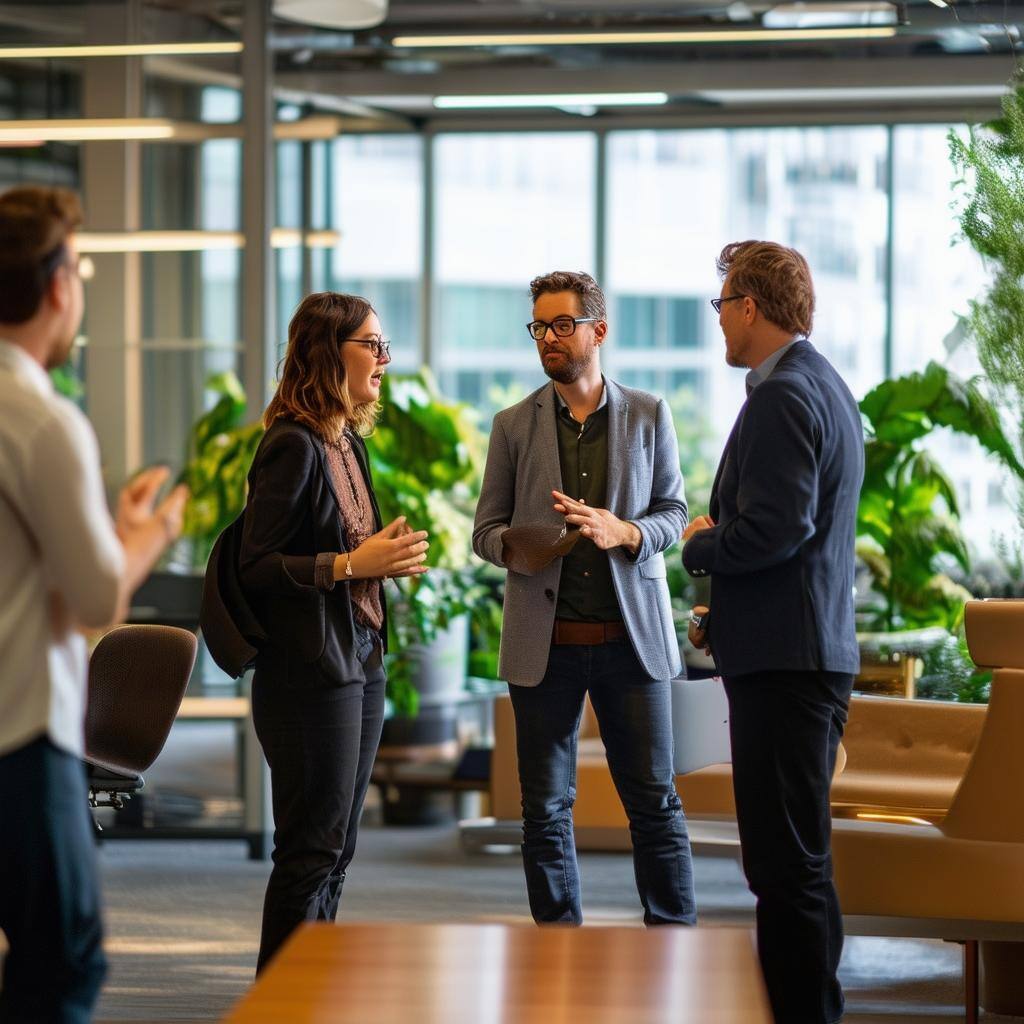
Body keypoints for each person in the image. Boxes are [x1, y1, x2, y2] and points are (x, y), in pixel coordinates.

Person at [0, 184, 188, 1023]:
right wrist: (145, 534)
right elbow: (94, 594)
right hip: (20, 735)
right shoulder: (40, 420)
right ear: (55, 287)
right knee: (66, 960)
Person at [473, 270, 696, 927]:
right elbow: (485, 533)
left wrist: (623, 531)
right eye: (540, 326)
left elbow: (675, 513)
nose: (549, 338)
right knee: (542, 808)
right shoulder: (513, 427)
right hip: (547, 650)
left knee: (654, 800)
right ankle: (557, 946)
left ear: (598, 331)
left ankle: (673, 940)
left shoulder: (650, 413)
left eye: (563, 325)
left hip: (633, 644)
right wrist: (530, 544)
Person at [682, 241, 864, 1024]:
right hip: (801, 655)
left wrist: (700, 544)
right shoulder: (823, 384)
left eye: (722, 304)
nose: (719, 319)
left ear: (750, 306)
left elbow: (776, 530)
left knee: (785, 871)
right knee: (797, 867)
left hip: (789, 668)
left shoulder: (785, 395)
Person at [238, 291, 430, 973]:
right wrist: (352, 563)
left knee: (338, 848)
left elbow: (345, 548)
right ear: (328, 353)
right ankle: (278, 1004)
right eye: (371, 345)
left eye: (384, 345)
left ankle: (307, 994)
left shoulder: (345, 439)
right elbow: (255, 566)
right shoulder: (291, 443)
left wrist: (378, 560)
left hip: (358, 659)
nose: (384, 358)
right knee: (310, 851)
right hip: (307, 676)